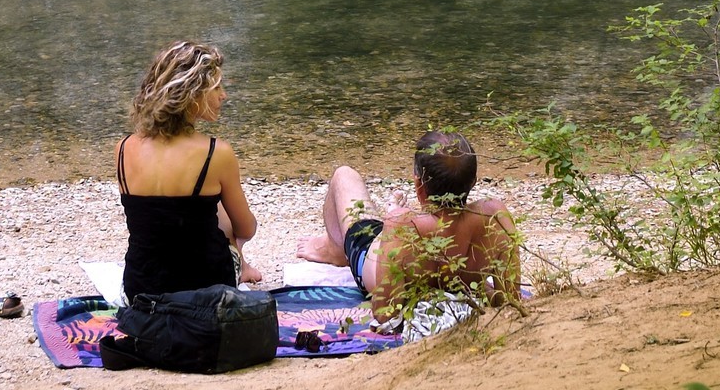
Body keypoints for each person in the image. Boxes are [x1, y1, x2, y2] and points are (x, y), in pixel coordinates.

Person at [297, 130, 518, 316]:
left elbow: (384, 315)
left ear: (418, 186)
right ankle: (346, 241)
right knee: (395, 217)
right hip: (430, 251)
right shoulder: (494, 216)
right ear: (473, 182)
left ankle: (334, 249)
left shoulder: (403, 226)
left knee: (344, 175)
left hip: (369, 254)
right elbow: (512, 301)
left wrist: (393, 223)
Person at [116, 40, 261, 304]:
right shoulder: (216, 153)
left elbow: (154, 219)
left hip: (140, 290)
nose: (223, 95)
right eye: (216, 87)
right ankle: (243, 266)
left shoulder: (124, 148)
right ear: (191, 95)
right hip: (209, 290)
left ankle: (242, 265)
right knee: (218, 209)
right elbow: (246, 228)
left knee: (188, 208)